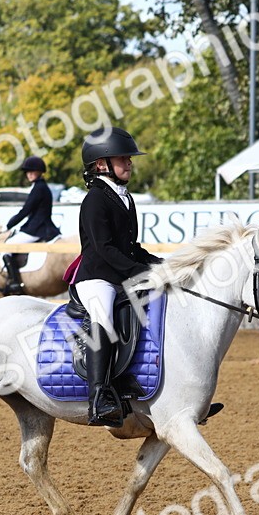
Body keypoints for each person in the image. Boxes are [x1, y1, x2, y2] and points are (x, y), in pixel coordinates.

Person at [74, 127, 162, 427]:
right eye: (123, 158)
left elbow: (131, 247)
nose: (129, 163)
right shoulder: (95, 200)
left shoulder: (126, 198)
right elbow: (105, 249)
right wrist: (139, 272)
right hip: (97, 278)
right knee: (105, 318)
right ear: (102, 164)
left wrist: (159, 264)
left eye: (129, 158)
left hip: (120, 275)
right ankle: (98, 398)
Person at [0, 156, 61, 296]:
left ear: (40, 172)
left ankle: (14, 283)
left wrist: (9, 224)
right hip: (40, 226)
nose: (29, 174)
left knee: (6, 247)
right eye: (28, 171)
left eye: (33, 171)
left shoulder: (38, 188)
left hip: (37, 229)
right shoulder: (41, 187)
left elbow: (25, 210)